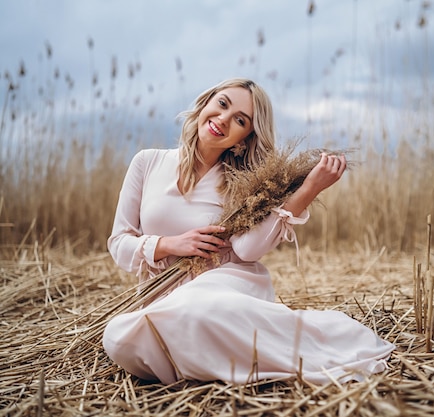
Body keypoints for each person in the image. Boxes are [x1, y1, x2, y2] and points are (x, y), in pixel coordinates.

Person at [102, 77, 395, 385]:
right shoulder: (147, 162)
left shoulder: (243, 182)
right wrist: (170, 244)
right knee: (118, 338)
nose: (223, 120)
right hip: (160, 295)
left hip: (223, 286)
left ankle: (232, 349)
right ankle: (208, 355)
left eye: (240, 120)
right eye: (222, 104)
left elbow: (246, 251)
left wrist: (307, 191)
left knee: (195, 307)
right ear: (206, 103)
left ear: (244, 137)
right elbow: (119, 243)